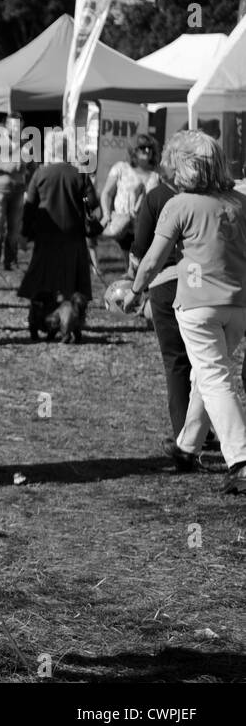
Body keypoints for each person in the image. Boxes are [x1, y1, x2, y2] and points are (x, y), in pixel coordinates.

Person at [123, 131, 246, 495]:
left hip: (197, 304)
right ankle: (187, 446)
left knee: (213, 378)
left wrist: (134, 292)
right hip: (238, 305)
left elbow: (151, 261)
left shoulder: (180, 204)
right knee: (206, 378)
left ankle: (240, 459)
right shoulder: (239, 201)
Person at [130, 146, 193, 463]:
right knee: (204, 363)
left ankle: (186, 435)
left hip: (166, 283)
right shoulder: (210, 197)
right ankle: (203, 430)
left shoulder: (157, 196)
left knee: (177, 362)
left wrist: (134, 285)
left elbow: (142, 247)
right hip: (203, 284)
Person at [17, 129, 96, 339]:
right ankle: (73, 325)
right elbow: (93, 204)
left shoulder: (40, 174)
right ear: (67, 149)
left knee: (44, 284)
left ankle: (40, 322)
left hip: (46, 238)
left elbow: (29, 207)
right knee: (73, 287)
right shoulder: (79, 173)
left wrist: (24, 234)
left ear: (49, 150)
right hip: (74, 238)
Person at [0, 111, 32, 270]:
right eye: (12, 126)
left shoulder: (26, 144)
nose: (15, 129)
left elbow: (33, 166)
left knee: (14, 227)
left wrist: (26, 167)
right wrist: (4, 166)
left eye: (18, 126)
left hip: (18, 190)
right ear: (6, 126)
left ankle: (10, 261)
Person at [100, 133, 161, 254]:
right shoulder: (121, 168)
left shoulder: (157, 173)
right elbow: (106, 193)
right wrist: (106, 214)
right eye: (142, 147)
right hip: (123, 224)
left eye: (150, 147)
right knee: (130, 262)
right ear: (133, 150)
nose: (147, 150)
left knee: (142, 264)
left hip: (147, 227)